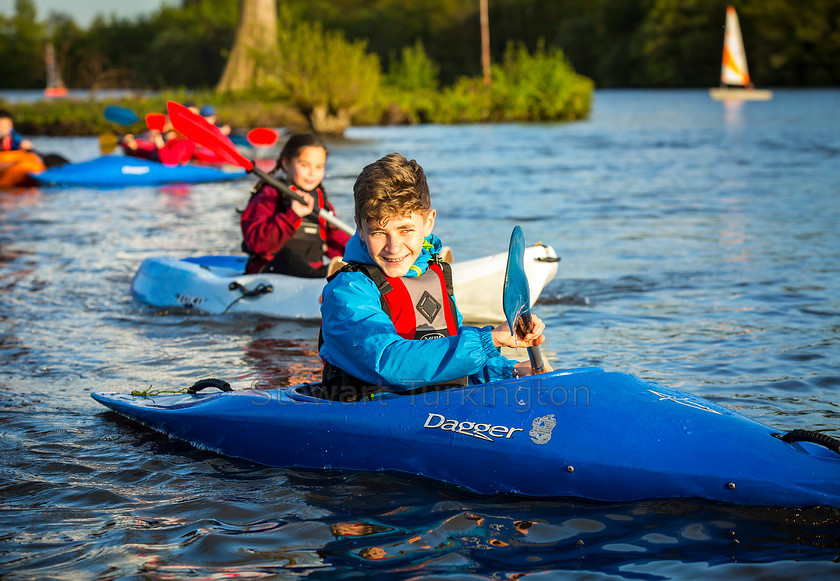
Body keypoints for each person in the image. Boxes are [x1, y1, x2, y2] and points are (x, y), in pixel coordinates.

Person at [319, 152, 552, 402]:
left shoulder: (434, 275)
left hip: (429, 414)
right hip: (367, 419)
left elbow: (450, 367)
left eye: (405, 230)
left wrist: (511, 371)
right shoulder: (348, 292)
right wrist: (489, 340)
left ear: (428, 222)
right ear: (360, 229)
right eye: (378, 232)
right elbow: (389, 361)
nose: (393, 247)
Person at [240, 133, 350, 276]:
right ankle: (320, 276)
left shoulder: (322, 202)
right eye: (304, 165)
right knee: (288, 256)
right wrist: (292, 215)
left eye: (318, 167)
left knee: (352, 263)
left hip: (310, 276)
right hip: (270, 273)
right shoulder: (269, 196)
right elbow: (257, 244)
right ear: (286, 163)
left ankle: (324, 276)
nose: (312, 173)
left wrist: (364, 251)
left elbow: (337, 242)